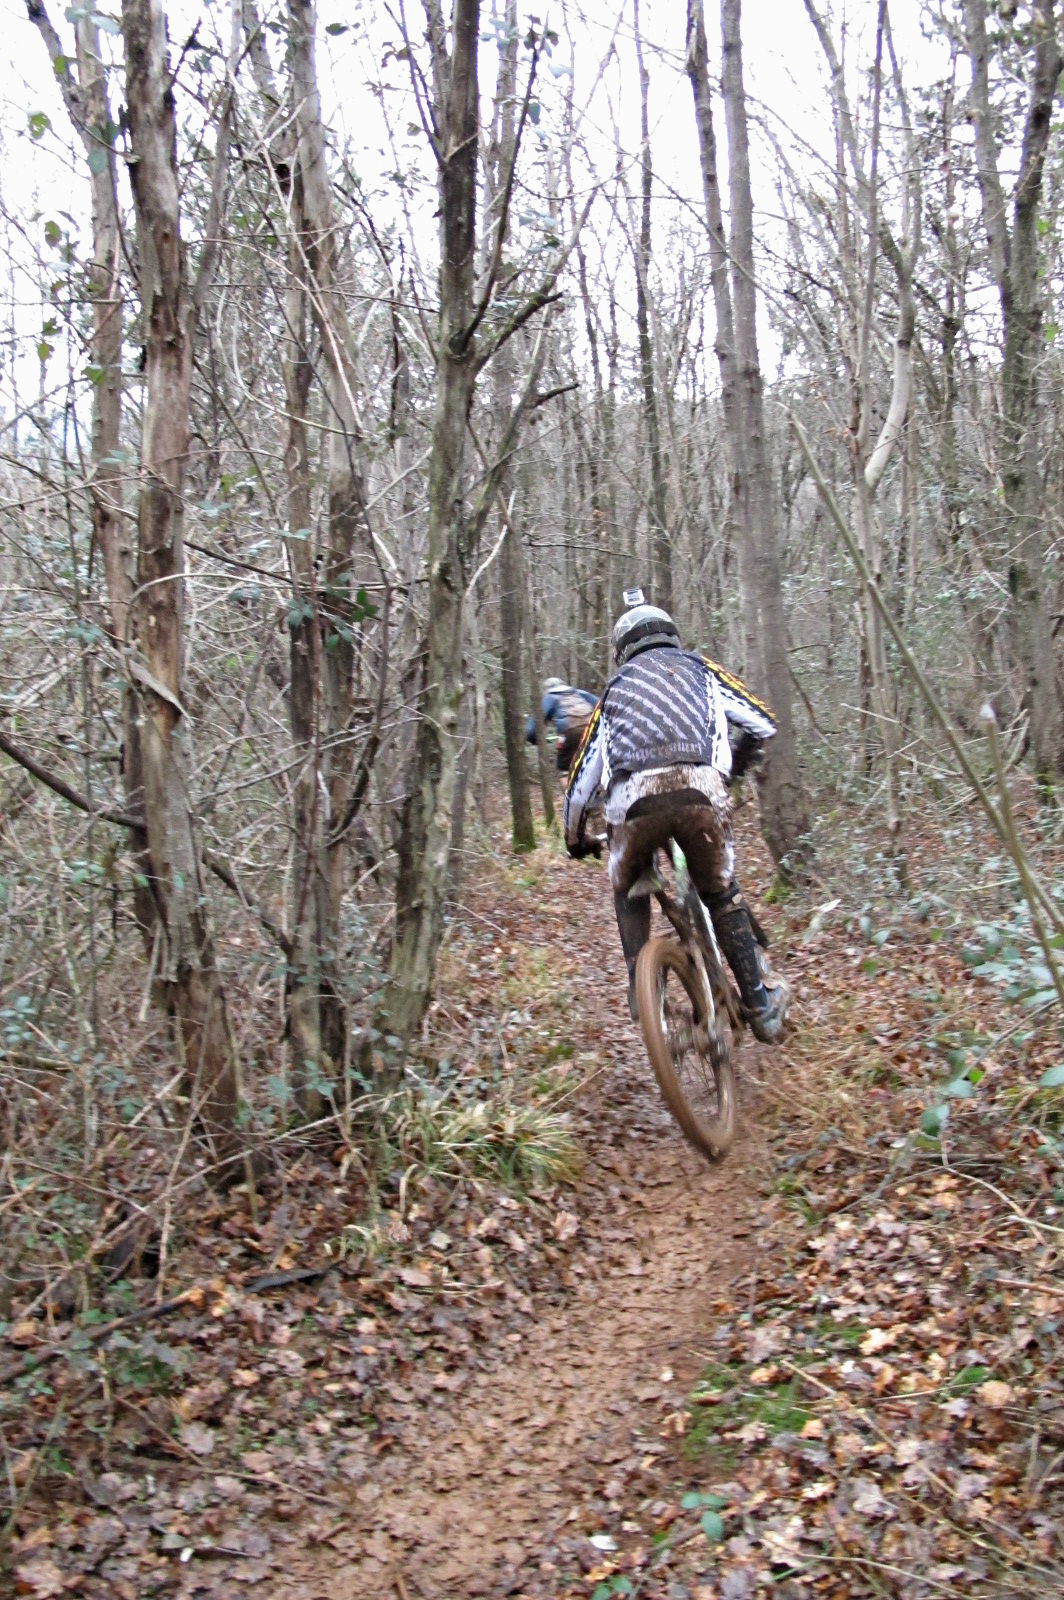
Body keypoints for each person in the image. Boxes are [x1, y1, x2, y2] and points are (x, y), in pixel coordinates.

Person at [562, 592, 789, 1044]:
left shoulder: (612, 692)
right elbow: (763, 722)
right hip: (700, 792)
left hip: (632, 804)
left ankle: (640, 984)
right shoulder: (701, 669)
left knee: (627, 883)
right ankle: (761, 1008)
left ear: (622, 649)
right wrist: (733, 767)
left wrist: (575, 839)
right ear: (671, 636)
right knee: (720, 892)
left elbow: (579, 786)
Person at [525, 677, 599, 771]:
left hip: (570, 732)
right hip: (593, 728)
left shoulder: (550, 697)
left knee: (564, 767)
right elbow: (601, 704)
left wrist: (534, 740)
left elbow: (531, 729)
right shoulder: (578, 692)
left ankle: (567, 777)